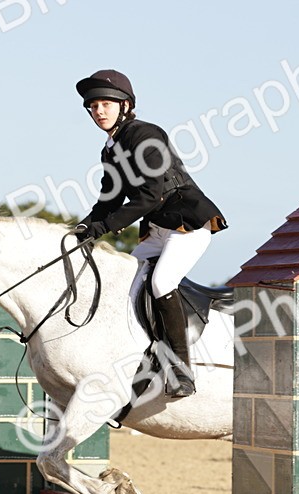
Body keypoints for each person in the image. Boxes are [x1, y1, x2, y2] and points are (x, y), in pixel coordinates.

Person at [74, 69, 227, 399]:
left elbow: (148, 197)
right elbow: (109, 201)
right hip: (157, 230)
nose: (98, 111)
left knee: (160, 283)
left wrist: (102, 228)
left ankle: (181, 371)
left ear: (125, 105)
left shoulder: (146, 136)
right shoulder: (111, 150)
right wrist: (82, 229)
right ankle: (142, 359)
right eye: (92, 106)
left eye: (105, 104)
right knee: (124, 286)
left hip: (187, 223)